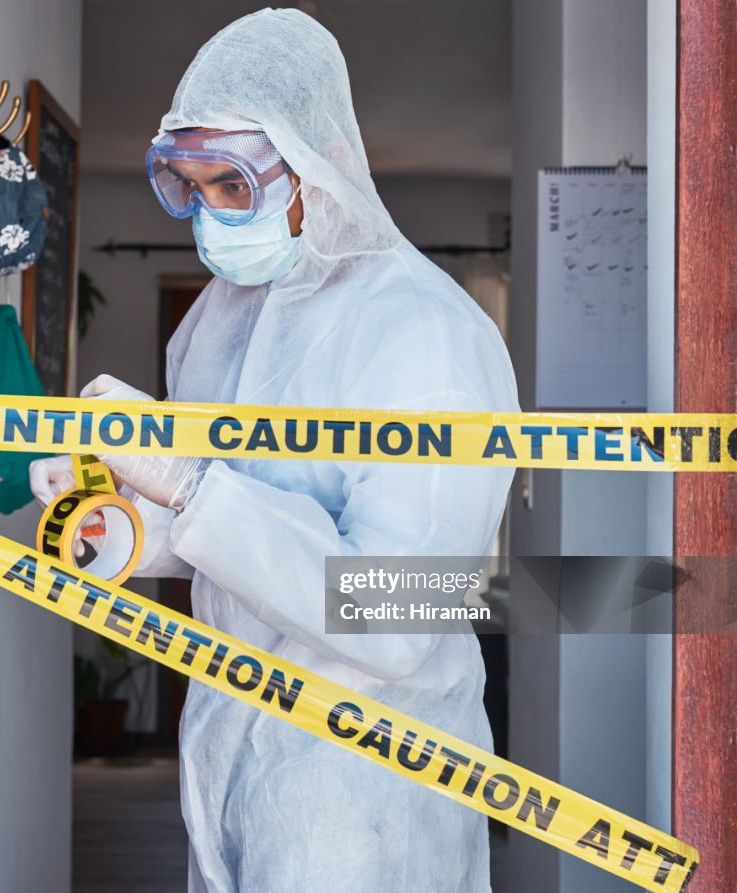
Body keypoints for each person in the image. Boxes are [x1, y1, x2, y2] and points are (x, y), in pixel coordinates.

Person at [31, 8, 518, 892]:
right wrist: (124, 520)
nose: (210, 217)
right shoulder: (215, 320)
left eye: (234, 186)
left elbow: (397, 613)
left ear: (320, 165)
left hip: (366, 778)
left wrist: (188, 484)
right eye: (189, 187)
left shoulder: (426, 332)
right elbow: (222, 529)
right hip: (225, 740)